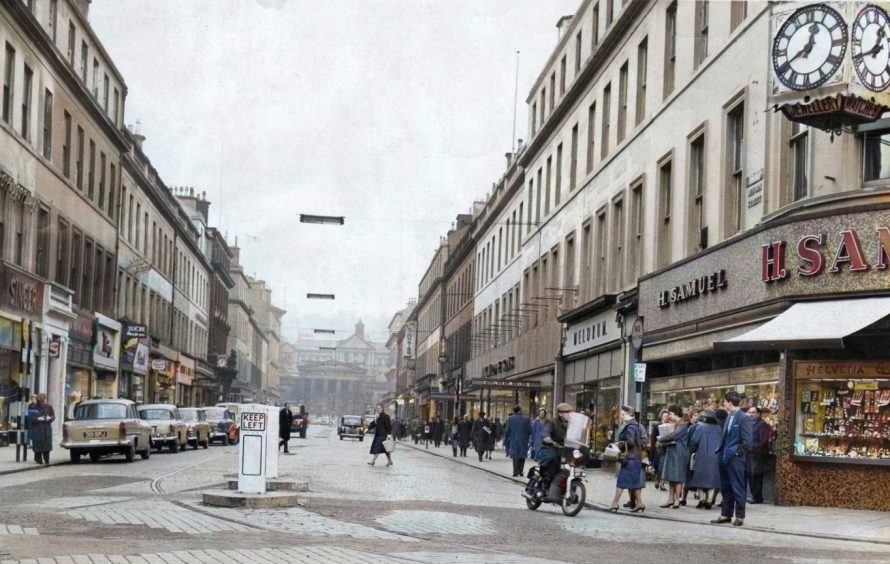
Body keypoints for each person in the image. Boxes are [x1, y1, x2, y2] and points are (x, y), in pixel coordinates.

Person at [712, 391, 753, 526]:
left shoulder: (744, 418)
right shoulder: (729, 417)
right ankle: (725, 514)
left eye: (724, 402)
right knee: (726, 487)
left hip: (735, 458)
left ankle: (739, 516)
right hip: (724, 457)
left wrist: (737, 453)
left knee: (737, 487)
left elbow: (747, 441)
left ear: (730, 402)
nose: (723, 404)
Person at [609, 405, 647, 513]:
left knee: (621, 481)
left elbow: (630, 442)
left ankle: (614, 503)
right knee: (634, 482)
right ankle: (639, 503)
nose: (621, 416)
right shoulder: (635, 425)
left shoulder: (630, 426)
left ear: (628, 414)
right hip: (636, 457)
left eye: (622, 414)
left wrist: (619, 444)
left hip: (630, 458)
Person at [687, 409, 722, 509]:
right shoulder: (718, 428)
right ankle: (709, 501)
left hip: (702, 455)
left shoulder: (700, 427)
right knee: (712, 479)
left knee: (700, 478)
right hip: (715, 455)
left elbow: (694, 441)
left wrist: (693, 451)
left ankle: (702, 500)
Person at [657, 404, 689, 509]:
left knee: (678, 477)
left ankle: (676, 500)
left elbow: (674, 436)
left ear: (675, 413)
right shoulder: (676, 424)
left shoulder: (683, 424)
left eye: (670, 413)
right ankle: (670, 499)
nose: (669, 416)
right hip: (672, 451)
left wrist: (661, 438)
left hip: (679, 452)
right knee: (671, 476)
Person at [538, 403, 572, 502]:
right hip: (551, 448)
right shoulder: (551, 422)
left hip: (565, 451)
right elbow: (545, 432)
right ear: (561, 413)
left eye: (570, 413)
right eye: (567, 413)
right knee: (551, 459)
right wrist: (548, 439)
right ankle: (545, 482)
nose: (569, 415)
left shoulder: (572, 425)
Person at [747, 406, 772, 504]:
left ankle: (757, 497)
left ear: (758, 414)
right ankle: (754, 495)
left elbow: (763, 440)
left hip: (758, 454)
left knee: (756, 475)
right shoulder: (751, 424)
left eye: (753, 413)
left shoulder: (762, 425)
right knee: (751, 475)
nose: (751, 414)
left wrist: (756, 448)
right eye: (750, 413)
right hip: (750, 453)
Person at [504, 405, 532, 477]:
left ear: (514, 411)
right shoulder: (527, 418)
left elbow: (507, 430)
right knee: (522, 456)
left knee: (515, 456)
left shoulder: (510, 418)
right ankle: (521, 471)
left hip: (514, 440)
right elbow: (530, 430)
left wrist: (506, 438)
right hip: (524, 440)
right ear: (520, 410)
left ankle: (515, 472)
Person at [27, 393, 55, 465]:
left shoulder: (49, 407)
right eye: (40, 400)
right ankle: (38, 459)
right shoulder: (33, 407)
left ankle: (47, 460)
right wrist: (37, 419)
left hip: (46, 428)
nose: (42, 401)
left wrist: (50, 418)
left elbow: (53, 416)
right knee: (38, 445)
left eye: (43, 399)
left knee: (46, 445)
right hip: (37, 428)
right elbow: (30, 418)